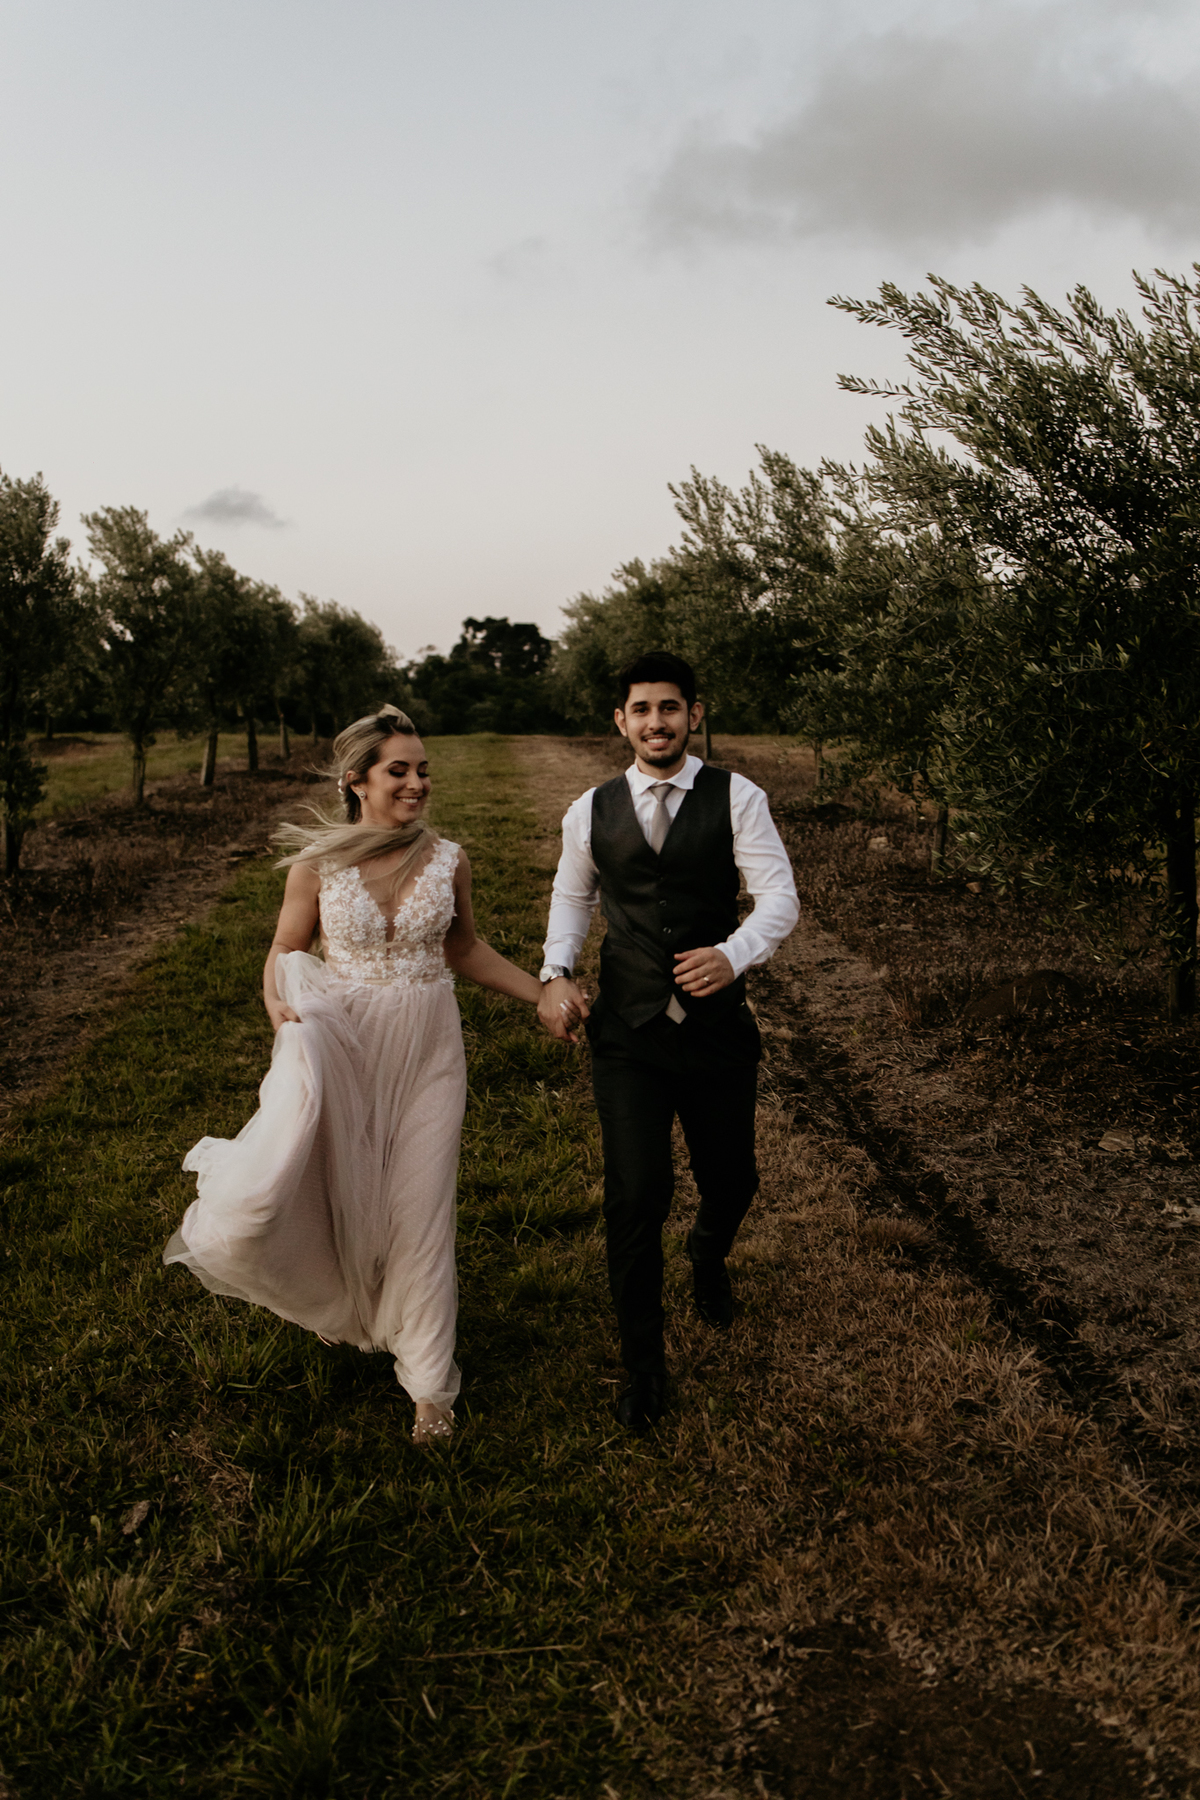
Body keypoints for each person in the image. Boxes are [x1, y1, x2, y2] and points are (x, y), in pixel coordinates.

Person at [165, 705, 579, 1445]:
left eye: (423, 770)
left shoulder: (450, 859)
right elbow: (286, 948)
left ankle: (428, 1385)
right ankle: (333, 1298)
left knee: (418, 1209)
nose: (418, 783)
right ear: (356, 780)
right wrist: (273, 999)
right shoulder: (317, 865)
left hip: (426, 1047)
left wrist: (540, 993)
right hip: (340, 1042)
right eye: (400, 770)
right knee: (329, 1189)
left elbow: (465, 950)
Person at [537, 653, 798, 1433]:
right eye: (641, 709)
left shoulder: (738, 797)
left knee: (733, 1182)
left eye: (671, 708)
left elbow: (778, 896)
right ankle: (643, 1367)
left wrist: (733, 954)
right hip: (628, 1032)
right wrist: (555, 972)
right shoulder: (590, 810)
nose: (657, 722)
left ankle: (708, 1255)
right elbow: (571, 896)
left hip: (717, 1032)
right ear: (621, 721)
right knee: (635, 1196)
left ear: (694, 715)